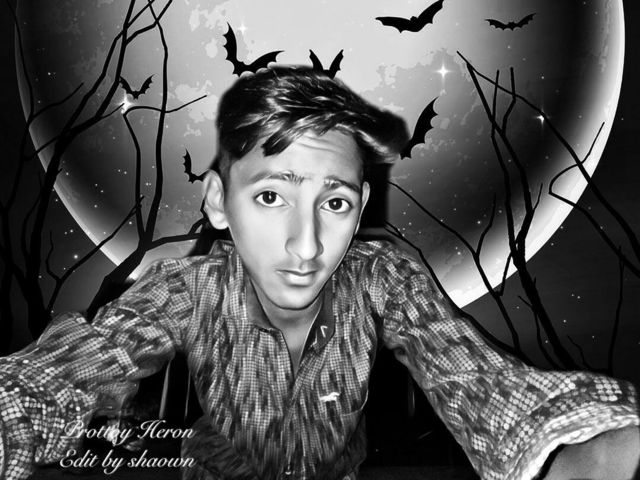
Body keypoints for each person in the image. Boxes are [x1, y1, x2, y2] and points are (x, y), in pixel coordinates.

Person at [0, 66, 638, 480]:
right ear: (219, 202)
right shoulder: (185, 287)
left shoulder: (383, 277)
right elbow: (72, 368)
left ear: (360, 209)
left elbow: (471, 373)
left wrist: (566, 446)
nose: (305, 246)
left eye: (334, 203)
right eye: (270, 196)